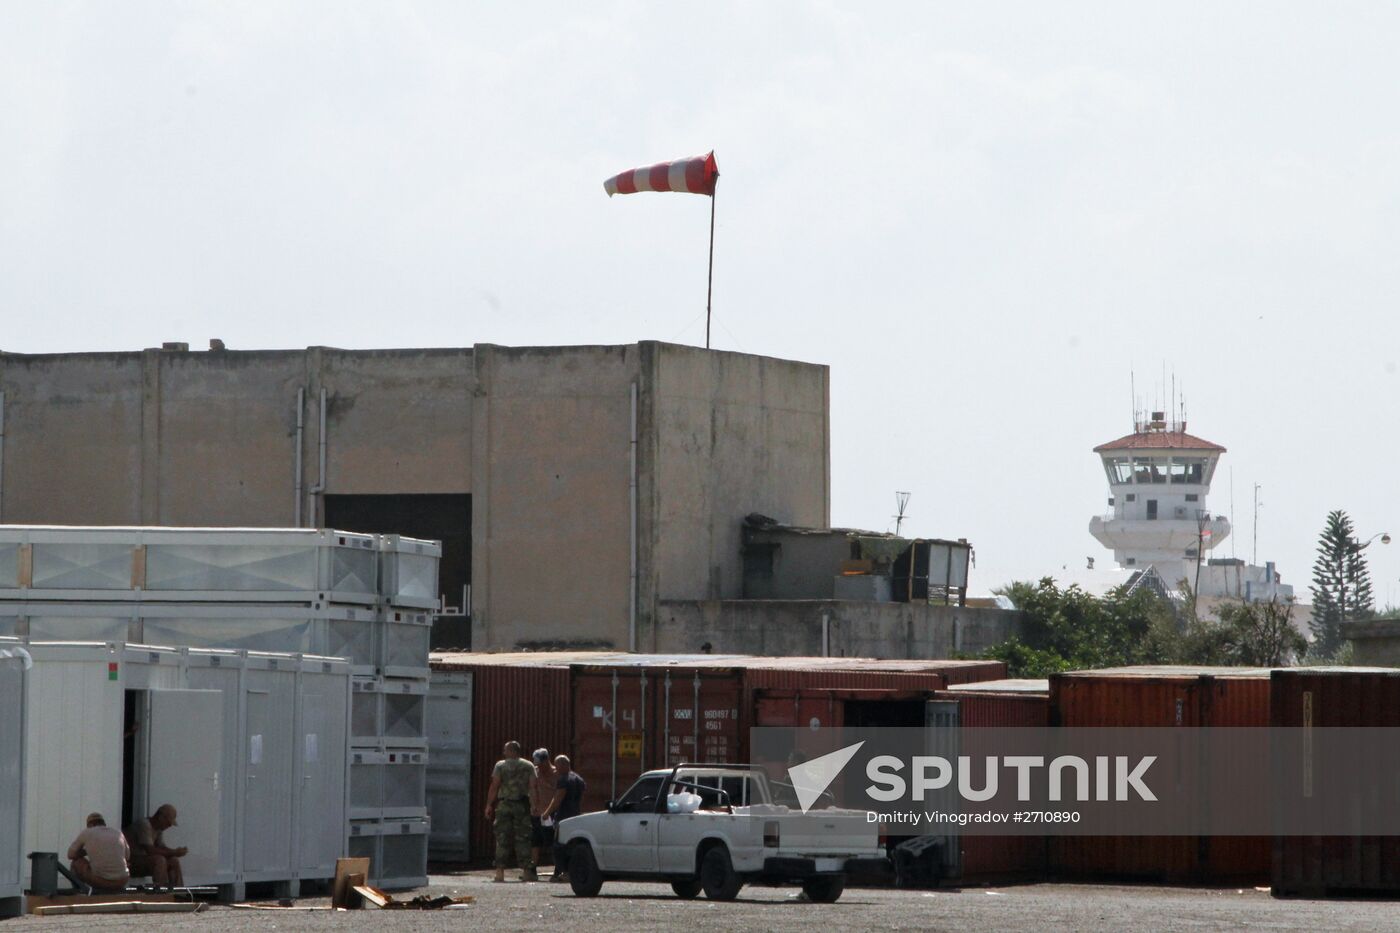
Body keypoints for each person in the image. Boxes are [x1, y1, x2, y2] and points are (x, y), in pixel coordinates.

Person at [485, 740, 537, 882]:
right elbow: (532, 787)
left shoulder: (500, 766)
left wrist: (489, 804)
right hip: (522, 805)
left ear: (511, 751)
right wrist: (534, 805)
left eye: (505, 750)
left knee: (502, 838)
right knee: (523, 838)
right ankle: (527, 872)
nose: (504, 752)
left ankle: (500, 872)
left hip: (504, 805)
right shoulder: (528, 766)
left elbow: (495, 786)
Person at [540, 754, 586, 883]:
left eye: (557, 765)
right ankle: (559, 873)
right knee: (572, 845)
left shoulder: (564, 779)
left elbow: (558, 798)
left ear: (564, 765)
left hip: (563, 817)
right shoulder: (579, 779)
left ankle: (565, 872)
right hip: (575, 816)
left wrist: (547, 812)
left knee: (558, 847)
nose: (556, 768)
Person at [126, 803, 186, 889]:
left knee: (173, 860)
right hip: (131, 862)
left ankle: (179, 891)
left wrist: (175, 852)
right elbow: (150, 850)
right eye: (168, 823)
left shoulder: (158, 829)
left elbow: (162, 847)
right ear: (161, 817)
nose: (168, 826)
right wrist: (174, 852)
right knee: (159, 860)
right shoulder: (144, 825)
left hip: (143, 861)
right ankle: (161, 891)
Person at [67, 812, 130, 891]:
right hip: (122, 880)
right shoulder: (118, 832)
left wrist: (86, 851)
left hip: (101, 881)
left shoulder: (87, 832)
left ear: (90, 825)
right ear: (104, 823)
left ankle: (79, 891)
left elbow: (70, 855)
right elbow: (127, 856)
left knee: (76, 863)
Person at [528, 748, 557, 871]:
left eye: (540, 764)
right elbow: (532, 789)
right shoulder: (535, 772)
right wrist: (533, 805)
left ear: (546, 761)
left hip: (551, 813)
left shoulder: (556, 773)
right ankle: (532, 867)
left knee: (553, 842)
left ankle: (558, 868)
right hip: (537, 812)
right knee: (535, 841)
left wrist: (550, 810)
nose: (538, 767)